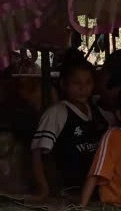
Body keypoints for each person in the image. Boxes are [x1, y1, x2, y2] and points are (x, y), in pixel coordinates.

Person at [31, 57, 111, 198]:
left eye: (88, 82)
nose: (83, 88)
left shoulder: (97, 112)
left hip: (95, 190)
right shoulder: (57, 113)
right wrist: (44, 189)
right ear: (63, 84)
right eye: (76, 83)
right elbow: (37, 153)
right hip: (68, 190)